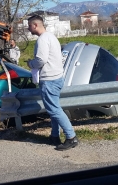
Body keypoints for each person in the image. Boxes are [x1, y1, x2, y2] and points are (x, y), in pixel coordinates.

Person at [26, 15, 78, 151]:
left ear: (35, 25)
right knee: (54, 109)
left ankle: (71, 137)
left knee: (54, 110)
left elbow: (40, 60)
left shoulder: (42, 40)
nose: (28, 28)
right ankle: (54, 136)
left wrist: (30, 64)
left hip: (49, 80)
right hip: (57, 77)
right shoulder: (51, 37)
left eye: (29, 25)